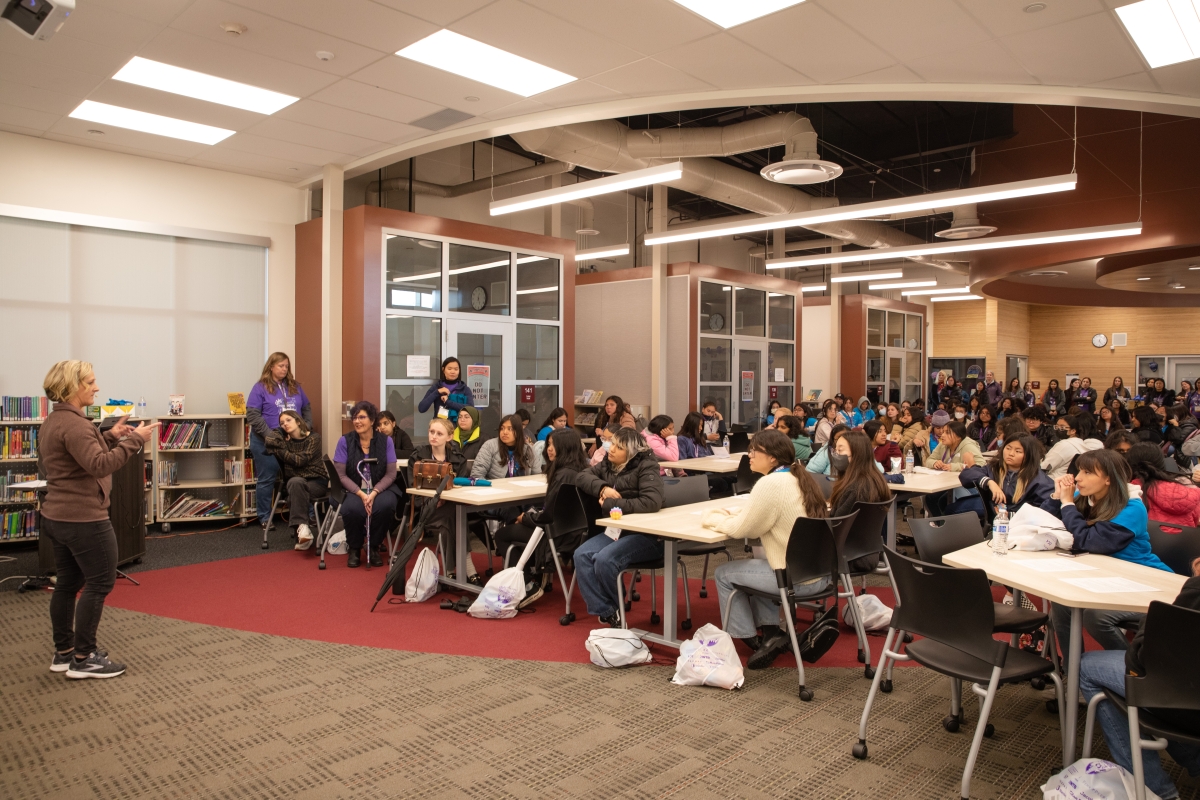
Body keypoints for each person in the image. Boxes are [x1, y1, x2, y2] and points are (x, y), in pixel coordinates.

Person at [39, 360, 158, 679]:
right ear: (72, 387)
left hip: (58, 515)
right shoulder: (76, 424)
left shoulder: (56, 420)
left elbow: (78, 459)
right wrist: (135, 440)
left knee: (68, 583)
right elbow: (99, 466)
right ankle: (83, 657)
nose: (96, 387)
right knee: (101, 581)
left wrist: (108, 435)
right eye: (90, 382)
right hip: (83, 519)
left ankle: (64, 652)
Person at [704, 429, 830, 667]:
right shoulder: (798, 476)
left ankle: (746, 637)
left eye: (755, 450)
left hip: (794, 579)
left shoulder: (770, 483)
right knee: (760, 566)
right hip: (817, 573)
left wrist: (711, 518)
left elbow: (744, 531)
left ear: (773, 457)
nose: (749, 455)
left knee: (724, 573)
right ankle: (772, 635)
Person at [1079, 560, 1200, 800]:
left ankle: (1154, 788)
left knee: (1087, 666)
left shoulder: (1196, 591)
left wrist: (1150, 617)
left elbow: (1141, 659)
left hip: (1185, 694)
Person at [1042, 450, 1173, 657]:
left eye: (1087, 472)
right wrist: (1057, 496)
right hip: (1108, 577)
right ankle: (1073, 672)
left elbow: (1090, 541)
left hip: (1147, 583)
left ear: (1108, 480)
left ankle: (1133, 668)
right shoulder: (1085, 497)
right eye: (1079, 471)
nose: (1077, 478)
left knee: (1096, 617)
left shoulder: (1132, 508)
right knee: (1061, 603)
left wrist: (1067, 504)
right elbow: (1043, 524)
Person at [573, 427, 665, 627]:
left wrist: (610, 504)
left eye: (618, 447)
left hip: (646, 535)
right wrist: (602, 487)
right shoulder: (608, 463)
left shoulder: (647, 466)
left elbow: (651, 503)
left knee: (605, 560)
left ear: (631, 453)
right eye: (612, 443)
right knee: (582, 555)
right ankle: (608, 610)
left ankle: (615, 608)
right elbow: (581, 477)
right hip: (617, 530)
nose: (611, 449)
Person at [492, 427, 590, 605]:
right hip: (576, 532)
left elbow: (548, 517)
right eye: (549, 445)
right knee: (520, 524)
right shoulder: (582, 470)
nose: (549, 449)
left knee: (503, 534)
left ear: (566, 448)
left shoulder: (562, 475)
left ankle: (529, 583)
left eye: (553, 445)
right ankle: (536, 573)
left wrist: (526, 518)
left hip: (556, 534)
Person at [247, 352, 312, 529]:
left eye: (286, 366)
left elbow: (306, 407)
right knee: (267, 478)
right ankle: (264, 517)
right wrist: (270, 435)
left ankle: (306, 515)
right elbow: (252, 414)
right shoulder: (260, 387)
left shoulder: (294, 386)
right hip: (265, 441)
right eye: (281, 366)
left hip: (294, 441)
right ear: (271, 367)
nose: (284, 369)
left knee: (300, 476)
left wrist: (305, 428)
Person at [334, 401, 398, 568]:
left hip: (379, 487)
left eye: (362, 417)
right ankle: (354, 548)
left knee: (386, 505)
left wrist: (374, 492)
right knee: (352, 509)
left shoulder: (386, 442)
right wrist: (361, 494)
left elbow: (391, 473)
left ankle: (374, 546)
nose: (357, 421)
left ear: (372, 420)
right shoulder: (344, 441)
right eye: (354, 418)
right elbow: (340, 475)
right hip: (353, 489)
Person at [409, 417, 469, 577]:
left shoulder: (458, 459)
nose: (434, 436)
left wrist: (446, 498)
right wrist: (434, 501)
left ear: (449, 437)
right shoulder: (417, 457)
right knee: (455, 517)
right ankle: (467, 571)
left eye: (439, 433)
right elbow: (412, 488)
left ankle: (452, 574)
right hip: (425, 509)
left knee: (452, 517)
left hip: (451, 506)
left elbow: (460, 488)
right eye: (431, 432)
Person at [828, 431, 892, 567]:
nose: (836, 454)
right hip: (867, 551)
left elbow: (836, 525)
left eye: (840, 449)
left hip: (848, 555)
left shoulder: (856, 488)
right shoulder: (874, 479)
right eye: (835, 449)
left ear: (857, 453)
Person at [265, 410, 326, 550]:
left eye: (288, 420)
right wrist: (279, 432)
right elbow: (268, 442)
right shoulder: (285, 441)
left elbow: (300, 461)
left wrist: (281, 451)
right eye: (282, 423)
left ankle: (302, 531)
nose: (285, 424)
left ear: (298, 421)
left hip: (316, 481)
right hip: (295, 483)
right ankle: (304, 528)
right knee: (295, 482)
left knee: (295, 485)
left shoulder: (314, 438)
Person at [958, 434, 1054, 518]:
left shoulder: (1037, 479)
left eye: (1018, 451)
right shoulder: (994, 468)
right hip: (995, 521)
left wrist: (1012, 515)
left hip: (1020, 527)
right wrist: (990, 482)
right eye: (1008, 448)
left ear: (1029, 455)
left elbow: (1048, 510)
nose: (1011, 454)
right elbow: (966, 475)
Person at [1125, 443, 1200, 528]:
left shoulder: (1125, 492)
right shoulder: (1188, 489)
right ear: (1162, 463)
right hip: (1186, 540)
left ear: (1129, 465)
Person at [471, 415, 542, 480]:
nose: (504, 432)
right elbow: (476, 475)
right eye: (502, 428)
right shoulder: (490, 446)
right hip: (495, 490)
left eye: (510, 429)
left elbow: (537, 476)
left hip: (522, 491)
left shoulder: (528, 449)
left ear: (518, 431)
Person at [1041, 413, 1104, 480]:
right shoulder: (1081, 444)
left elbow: (1044, 467)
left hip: (1053, 482)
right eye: (1056, 426)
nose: (1058, 429)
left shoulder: (1064, 445)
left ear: (1073, 431)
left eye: (1062, 427)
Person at [417, 356, 471, 423]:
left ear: (459, 371)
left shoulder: (464, 389)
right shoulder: (436, 387)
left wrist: (448, 402)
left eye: (456, 369)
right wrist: (437, 392)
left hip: (459, 428)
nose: (453, 372)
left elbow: (470, 408)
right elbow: (422, 408)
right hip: (439, 428)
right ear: (443, 370)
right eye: (449, 369)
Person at [1164, 404, 1199, 469]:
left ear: (1179, 413)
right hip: (1179, 451)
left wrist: (1175, 426)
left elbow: (1177, 440)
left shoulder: (1189, 425)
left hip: (1185, 455)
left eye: (1173, 414)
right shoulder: (1182, 423)